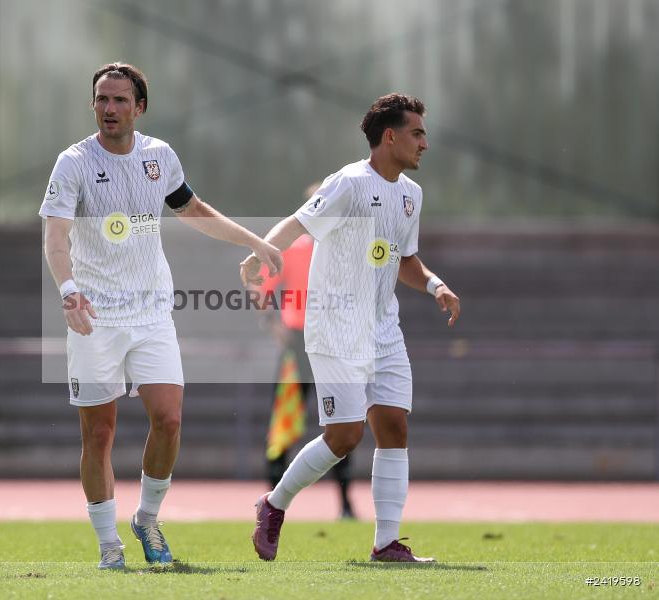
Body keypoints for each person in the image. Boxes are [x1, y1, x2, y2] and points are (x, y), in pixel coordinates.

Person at [40, 62, 282, 570]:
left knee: (169, 420)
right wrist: (69, 291)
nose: (109, 109)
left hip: (151, 311)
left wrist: (256, 240)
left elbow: (193, 210)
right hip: (96, 314)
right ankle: (109, 545)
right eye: (102, 100)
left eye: (120, 100)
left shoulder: (159, 157)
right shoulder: (73, 162)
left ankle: (147, 518)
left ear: (140, 107)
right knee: (99, 434)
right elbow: (56, 237)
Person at [241, 93, 460, 563]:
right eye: (417, 133)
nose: (424, 143)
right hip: (334, 328)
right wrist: (258, 254)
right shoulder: (348, 183)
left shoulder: (411, 195)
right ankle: (273, 504)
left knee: (394, 426)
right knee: (344, 436)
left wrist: (435, 284)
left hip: (383, 328)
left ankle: (386, 543)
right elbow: (298, 223)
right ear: (390, 136)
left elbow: (405, 260)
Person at [257, 182, 356, 520]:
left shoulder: (346, 251)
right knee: (285, 420)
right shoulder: (295, 250)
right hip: (299, 341)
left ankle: (345, 504)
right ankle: (272, 501)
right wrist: (275, 325)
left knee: (344, 419)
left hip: (333, 342)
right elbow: (262, 289)